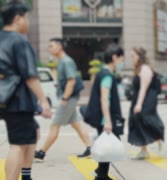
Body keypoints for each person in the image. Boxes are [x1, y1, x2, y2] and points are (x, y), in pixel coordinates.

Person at [0, 2, 52, 180]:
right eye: (27, 17)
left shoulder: (1, 38)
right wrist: (43, 101)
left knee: (32, 135)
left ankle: (27, 176)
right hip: (18, 100)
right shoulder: (19, 41)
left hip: (7, 98)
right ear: (17, 18)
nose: (28, 22)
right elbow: (30, 75)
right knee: (18, 144)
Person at [35, 38, 91, 161]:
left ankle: (41, 153)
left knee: (54, 126)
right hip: (69, 98)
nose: (49, 48)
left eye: (51, 46)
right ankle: (90, 148)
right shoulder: (62, 61)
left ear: (59, 46)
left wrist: (65, 98)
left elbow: (71, 80)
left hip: (68, 99)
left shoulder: (66, 61)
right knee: (77, 125)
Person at [85, 46, 125, 180]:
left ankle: (101, 173)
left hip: (102, 118)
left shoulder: (101, 73)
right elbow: (104, 98)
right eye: (121, 58)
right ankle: (101, 176)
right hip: (105, 119)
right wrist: (107, 120)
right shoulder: (107, 75)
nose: (122, 62)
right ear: (114, 57)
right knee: (107, 148)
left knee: (106, 147)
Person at [128, 47, 165, 159]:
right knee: (138, 122)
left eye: (133, 56)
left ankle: (160, 139)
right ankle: (144, 150)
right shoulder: (139, 69)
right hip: (140, 99)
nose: (132, 58)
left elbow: (143, 88)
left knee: (146, 119)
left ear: (140, 56)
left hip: (147, 100)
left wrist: (139, 104)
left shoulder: (145, 69)